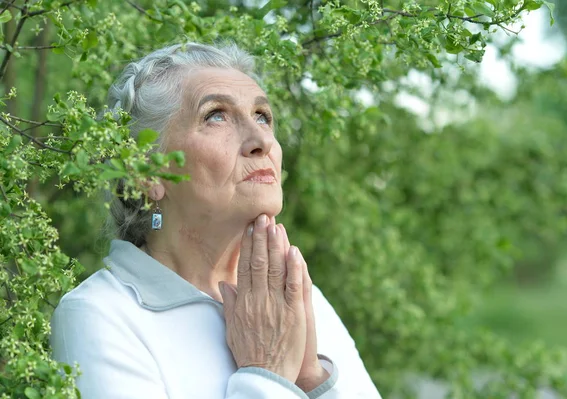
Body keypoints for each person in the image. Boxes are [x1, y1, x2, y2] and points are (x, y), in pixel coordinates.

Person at [50, 42, 382, 399]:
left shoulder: (297, 297)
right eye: (216, 115)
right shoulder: (100, 314)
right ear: (145, 173)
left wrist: (310, 380)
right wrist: (266, 372)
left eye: (262, 116)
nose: (261, 141)